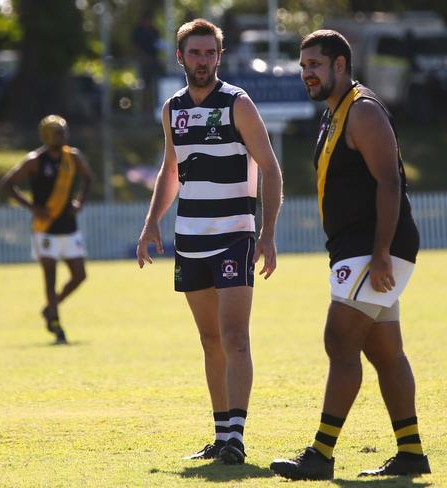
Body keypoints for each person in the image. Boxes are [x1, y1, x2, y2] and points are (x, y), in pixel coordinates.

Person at [270, 30, 430, 480]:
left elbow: (389, 182)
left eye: (315, 65)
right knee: (385, 352)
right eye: (303, 66)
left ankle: (320, 455)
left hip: (373, 249)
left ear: (341, 65)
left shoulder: (361, 110)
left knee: (340, 342)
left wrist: (381, 252)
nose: (307, 74)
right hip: (356, 249)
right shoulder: (335, 113)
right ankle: (412, 453)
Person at [136, 18, 283, 465]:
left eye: (210, 53)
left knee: (236, 336)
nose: (203, 60)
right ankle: (220, 435)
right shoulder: (172, 108)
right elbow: (171, 170)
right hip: (190, 240)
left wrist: (267, 232)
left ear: (220, 56)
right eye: (195, 53)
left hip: (234, 236)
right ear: (180, 57)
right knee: (209, 339)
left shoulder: (238, 103)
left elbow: (271, 169)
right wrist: (151, 223)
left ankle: (236, 437)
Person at [1, 115, 94, 344]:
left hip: (68, 227)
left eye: (64, 132)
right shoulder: (35, 160)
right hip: (45, 228)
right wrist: (32, 207)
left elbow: (88, 179)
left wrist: (80, 201)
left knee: (79, 275)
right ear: (47, 135)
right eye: (58, 133)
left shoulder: (72, 157)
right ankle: (56, 324)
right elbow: (8, 183)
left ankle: (51, 308)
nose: (62, 136)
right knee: (50, 277)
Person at [132, 13, 162, 113]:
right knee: (146, 85)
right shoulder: (137, 31)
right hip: (143, 63)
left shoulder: (154, 31)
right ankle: (145, 108)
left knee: (161, 80)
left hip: (154, 61)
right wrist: (143, 58)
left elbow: (158, 44)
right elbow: (135, 47)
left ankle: (158, 105)